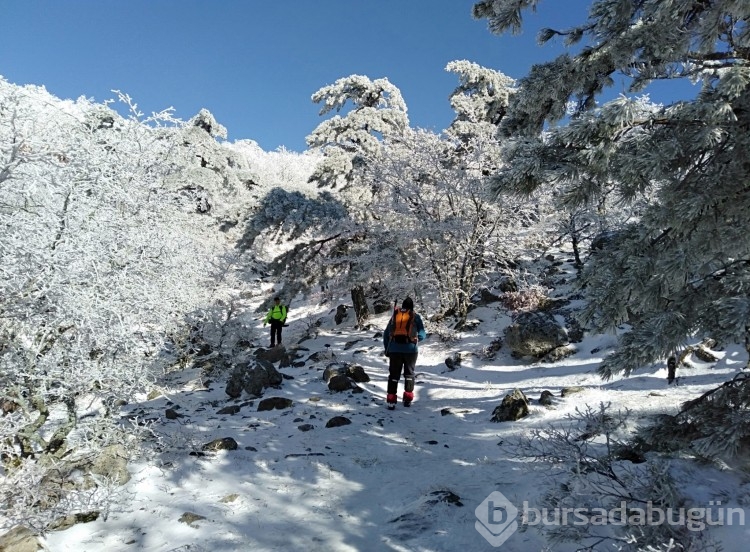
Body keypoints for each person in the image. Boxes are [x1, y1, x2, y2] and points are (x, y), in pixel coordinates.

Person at [382, 297, 426, 409]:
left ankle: (391, 401)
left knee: (393, 375)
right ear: (412, 307)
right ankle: (407, 399)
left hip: (394, 349)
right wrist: (414, 340)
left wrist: (388, 348)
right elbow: (422, 335)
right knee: (409, 374)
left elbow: (386, 334)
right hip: (410, 350)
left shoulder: (394, 316)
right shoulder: (415, 317)